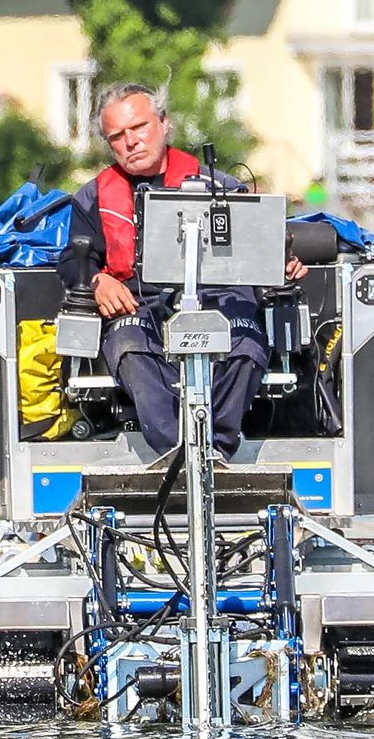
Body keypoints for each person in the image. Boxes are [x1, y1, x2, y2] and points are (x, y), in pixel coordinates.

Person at [65, 80, 301, 466]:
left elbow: (267, 251)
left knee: (246, 344)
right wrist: (97, 280)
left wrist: (284, 263)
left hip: (220, 301)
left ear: (163, 124)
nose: (131, 142)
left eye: (139, 128)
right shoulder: (91, 197)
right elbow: (72, 260)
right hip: (139, 308)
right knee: (130, 350)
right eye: (118, 136)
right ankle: (178, 459)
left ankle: (215, 455)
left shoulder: (223, 187)